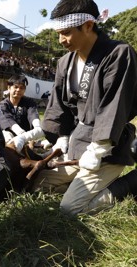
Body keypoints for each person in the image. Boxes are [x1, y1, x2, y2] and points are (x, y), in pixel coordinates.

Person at [32, 0, 137, 216]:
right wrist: (61, 137)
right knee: (36, 185)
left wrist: (99, 147)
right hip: (77, 144)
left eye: (67, 33)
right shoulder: (64, 62)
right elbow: (59, 106)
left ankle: (132, 182)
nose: (61, 40)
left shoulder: (118, 54)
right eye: (59, 33)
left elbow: (114, 107)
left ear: (88, 25)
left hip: (108, 147)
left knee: (71, 208)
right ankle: (83, 186)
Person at [0, 74, 45, 153]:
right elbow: (7, 119)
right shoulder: (2, 105)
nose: (19, 90)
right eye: (16, 87)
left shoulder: (29, 102)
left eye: (21, 88)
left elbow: (33, 114)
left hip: (27, 136)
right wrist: (21, 134)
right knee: (7, 138)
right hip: (10, 135)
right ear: (9, 88)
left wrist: (37, 127)